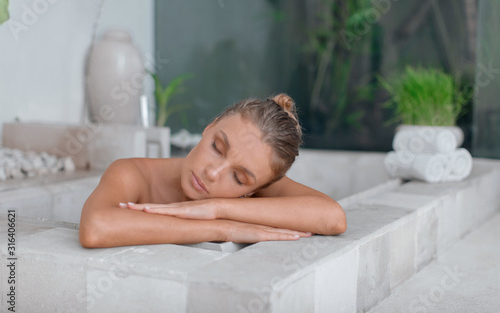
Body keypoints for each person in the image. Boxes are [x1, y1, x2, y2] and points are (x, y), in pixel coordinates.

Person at [79, 93, 346, 248]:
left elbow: (333, 218)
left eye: (238, 178)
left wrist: (218, 208)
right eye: (217, 147)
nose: (213, 172)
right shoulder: (134, 174)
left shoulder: (259, 188)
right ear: (210, 126)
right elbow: (95, 227)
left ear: (255, 190)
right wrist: (224, 229)